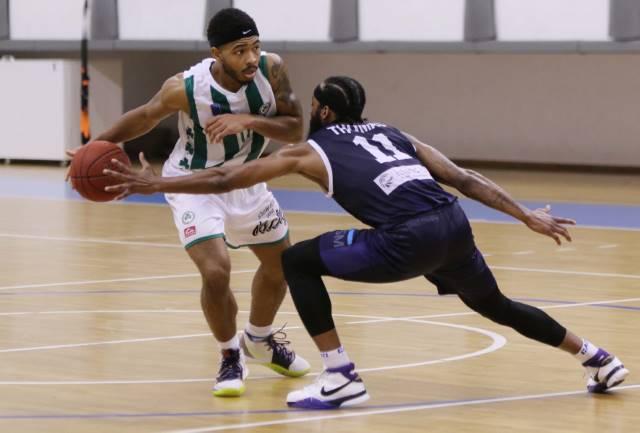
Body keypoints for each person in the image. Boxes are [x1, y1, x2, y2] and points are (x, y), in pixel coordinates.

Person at [104, 76, 629, 409]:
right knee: (497, 305)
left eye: (313, 105)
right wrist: (525, 215)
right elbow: (463, 178)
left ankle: (341, 376)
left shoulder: (311, 150)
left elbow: (225, 179)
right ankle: (596, 357)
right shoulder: (394, 134)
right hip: (453, 224)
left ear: (325, 112)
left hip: (407, 237)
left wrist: (158, 183)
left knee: (297, 261)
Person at [69, 8, 312, 397]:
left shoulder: (272, 70)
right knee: (216, 272)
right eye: (239, 51)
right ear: (217, 53)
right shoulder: (185, 88)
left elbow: (295, 128)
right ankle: (230, 354)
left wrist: (248, 121)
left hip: (247, 182)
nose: (251, 58)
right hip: (192, 183)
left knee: (281, 267)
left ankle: (259, 340)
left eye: (255, 47)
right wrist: (94, 147)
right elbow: (145, 117)